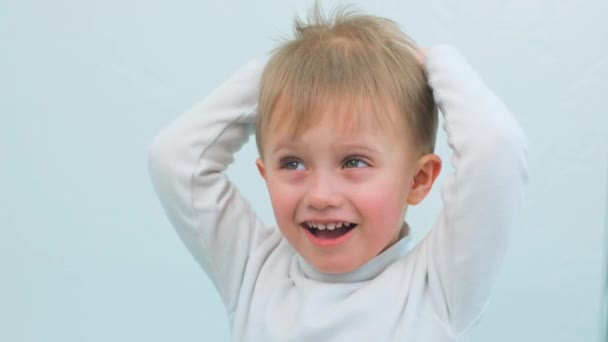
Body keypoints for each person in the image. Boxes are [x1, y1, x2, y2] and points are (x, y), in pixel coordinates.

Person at [147, 6, 528, 341]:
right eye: (292, 164)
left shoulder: (438, 289)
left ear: (418, 180)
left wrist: (438, 61)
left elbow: (496, 148)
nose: (321, 195)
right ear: (265, 174)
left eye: (354, 162)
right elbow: (176, 158)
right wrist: (278, 77)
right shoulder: (253, 270)